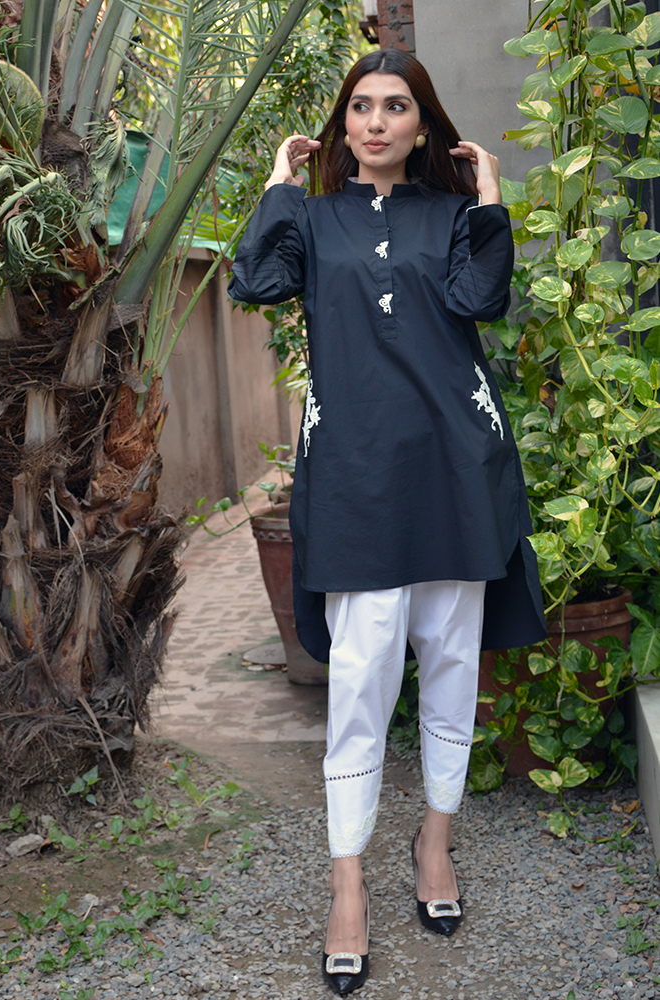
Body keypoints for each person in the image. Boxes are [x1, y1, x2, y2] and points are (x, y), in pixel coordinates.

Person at [228, 49, 546, 995]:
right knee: (361, 679)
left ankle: (434, 844)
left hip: (453, 467)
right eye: (360, 106)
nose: (374, 122)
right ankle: (346, 883)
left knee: (449, 662)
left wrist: (487, 199)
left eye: (395, 106)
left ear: (421, 123)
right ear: (342, 123)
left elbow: (478, 300)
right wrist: (280, 185)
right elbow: (254, 282)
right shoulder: (313, 218)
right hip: (356, 476)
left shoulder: (449, 215)